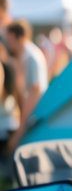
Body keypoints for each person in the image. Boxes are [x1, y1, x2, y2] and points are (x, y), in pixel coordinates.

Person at [3, 19, 49, 152]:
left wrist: (20, 129)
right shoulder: (25, 56)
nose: (8, 44)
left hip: (34, 117)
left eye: (10, 39)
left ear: (20, 37)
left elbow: (34, 93)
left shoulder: (31, 58)